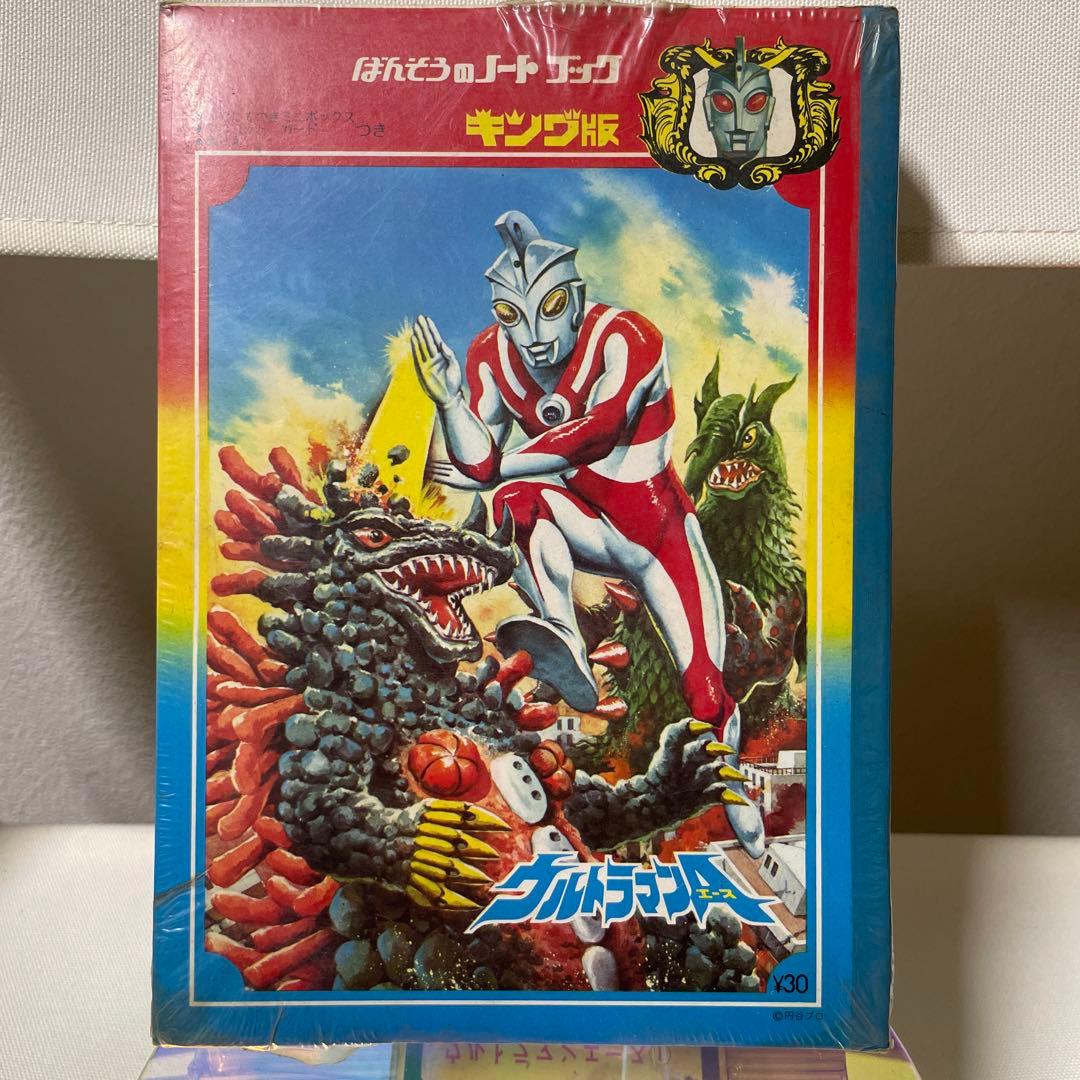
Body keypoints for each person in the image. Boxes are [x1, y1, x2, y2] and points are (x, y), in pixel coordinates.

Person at [411, 210, 763, 855]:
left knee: (705, 694)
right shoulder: (490, 355)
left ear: (574, 298)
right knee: (516, 502)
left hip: (657, 534)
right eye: (513, 316)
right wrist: (450, 402)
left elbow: (596, 432)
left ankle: (728, 777)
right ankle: (563, 636)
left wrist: (491, 464)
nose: (533, 337)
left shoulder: (627, 336)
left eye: (548, 310)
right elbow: (470, 465)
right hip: (580, 519)